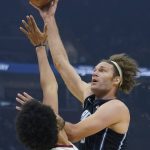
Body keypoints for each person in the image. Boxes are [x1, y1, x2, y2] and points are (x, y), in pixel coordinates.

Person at [29, 1, 139, 149]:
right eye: (95, 69)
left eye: (102, 70)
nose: (95, 72)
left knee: (57, 139)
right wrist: (49, 18)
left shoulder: (117, 107)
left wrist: (43, 113)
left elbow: (74, 134)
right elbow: (61, 63)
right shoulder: (89, 96)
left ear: (116, 80)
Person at [16, 15, 78, 150]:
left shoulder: (58, 138)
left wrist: (40, 47)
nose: (51, 113)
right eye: (47, 116)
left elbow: (50, 87)